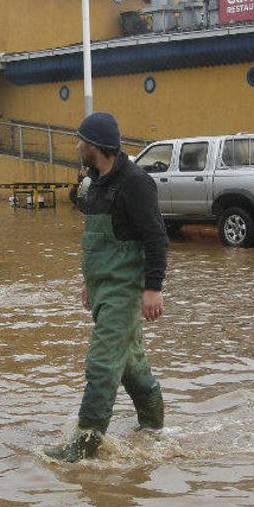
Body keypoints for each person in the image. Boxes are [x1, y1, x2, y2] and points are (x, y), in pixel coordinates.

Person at [45, 112, 169, 462]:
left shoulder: (135, 182)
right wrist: (89, 282)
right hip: (102, 290)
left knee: (101, 365)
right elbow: (95, 241)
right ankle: (154, 428)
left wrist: (153, 288)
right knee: (131, 365)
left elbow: (156, 238)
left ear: (96, 146)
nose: (77, 145)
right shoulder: (95, 181)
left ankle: (85, 444)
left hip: (126, 293)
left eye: (81, 140)